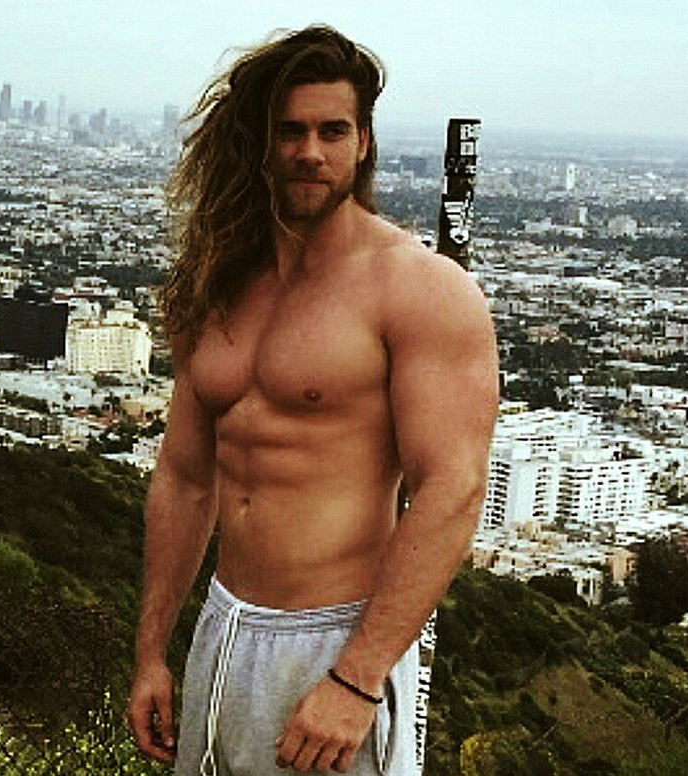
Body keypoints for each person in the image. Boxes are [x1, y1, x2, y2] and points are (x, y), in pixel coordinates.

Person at [128, 25, 498, 776]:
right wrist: (151, 653)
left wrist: (357, 679)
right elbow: (186, 479)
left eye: (332, 131)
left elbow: (451, 489)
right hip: (222, 629)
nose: (309, 152)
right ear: (260, 143)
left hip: (338, 641)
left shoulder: (421, 290)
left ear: (364, 143)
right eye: (289, 131)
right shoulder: (216, 285)